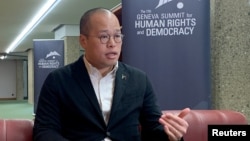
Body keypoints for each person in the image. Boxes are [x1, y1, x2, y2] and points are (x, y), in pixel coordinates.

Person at [33, 7, 190, 141]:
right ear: (83, 41)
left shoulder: (138, 79)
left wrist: (171, 134)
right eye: (104, 37)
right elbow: (45, 131)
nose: (112, 43)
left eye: (117, 36)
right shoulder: (59, 80)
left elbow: (152, 128)